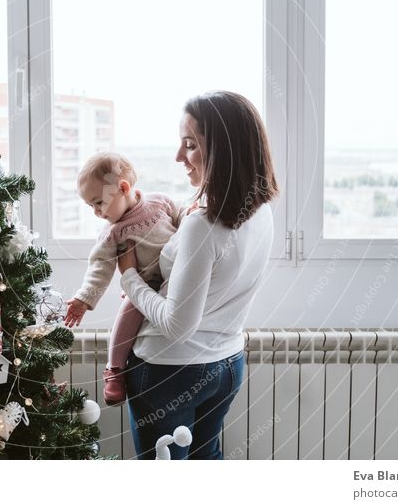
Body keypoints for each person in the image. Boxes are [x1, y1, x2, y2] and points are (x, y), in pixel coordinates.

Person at [116, 90, 279, 459]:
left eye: (190, 145)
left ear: (225, 149)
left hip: (170, 371)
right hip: (226, 365)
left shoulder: (204, 225)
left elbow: (177, 325)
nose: (179, 156)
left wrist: (129, 277)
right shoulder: (259, 210)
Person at [64, 152, 187, 406]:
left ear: (123, 188)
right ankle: (115, 370)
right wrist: (84, 298)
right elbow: (100, 267)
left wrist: (191, 213)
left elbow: (181, 215)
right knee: (128, 312)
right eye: (91, 207)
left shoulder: (160, 202)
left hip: (178, 276)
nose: (97, 213)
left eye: (98, 203)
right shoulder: (112, 233)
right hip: (146, 284)